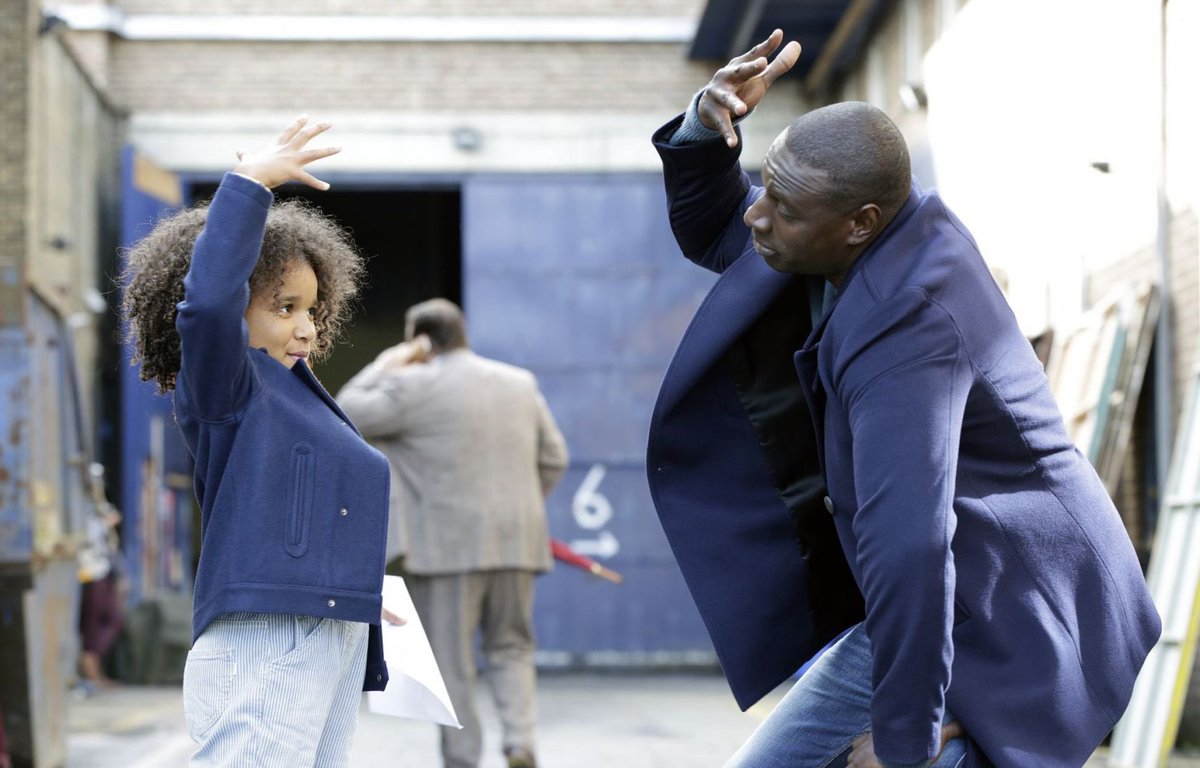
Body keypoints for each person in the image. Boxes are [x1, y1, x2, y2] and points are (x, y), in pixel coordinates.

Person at [645, 30, 1160, 768]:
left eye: (781, 207)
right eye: (767, 190)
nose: (759, 215)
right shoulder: (847, 236)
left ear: (859, 223)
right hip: (938, 603)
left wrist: (903, 740)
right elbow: (722, 231)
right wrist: (706, 127)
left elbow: (911, 546)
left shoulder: (910, 326)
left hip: (1023, 616)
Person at [121, 116, 393, 767]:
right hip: (268, 633)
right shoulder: (230, 389)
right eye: (284, 307)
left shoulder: (301, 399)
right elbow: (207, 306)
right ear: (237, 310)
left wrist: (355, 591)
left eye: (312, 310)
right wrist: (248, 185)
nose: (307, 328)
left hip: (329, 631)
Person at [336, 298, 569, 768]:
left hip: (445, 549)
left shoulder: (411, 386)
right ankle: (519, 741)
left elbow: (345, 411)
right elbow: (554, 458)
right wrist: (522, 507)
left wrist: (387, 362)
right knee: (513, 646)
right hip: (517, 542)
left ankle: (462, 758)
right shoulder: (519, 383)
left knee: (452, 660)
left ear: (420, 342)